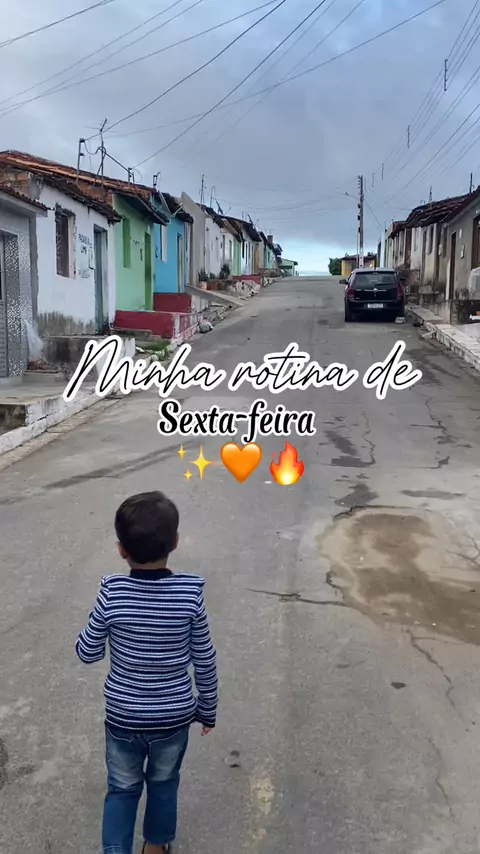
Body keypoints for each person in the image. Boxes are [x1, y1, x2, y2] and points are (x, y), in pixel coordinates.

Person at [76, 491, 218, 854]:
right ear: (175, 542)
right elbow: (204, 658)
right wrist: (207, 708)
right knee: (164, 784)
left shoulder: (112, 593)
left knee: (122, 789)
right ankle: (155, 848)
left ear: (121, 550)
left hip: (123, 717)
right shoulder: (190, 595)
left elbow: (87, 652)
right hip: (173, 718)